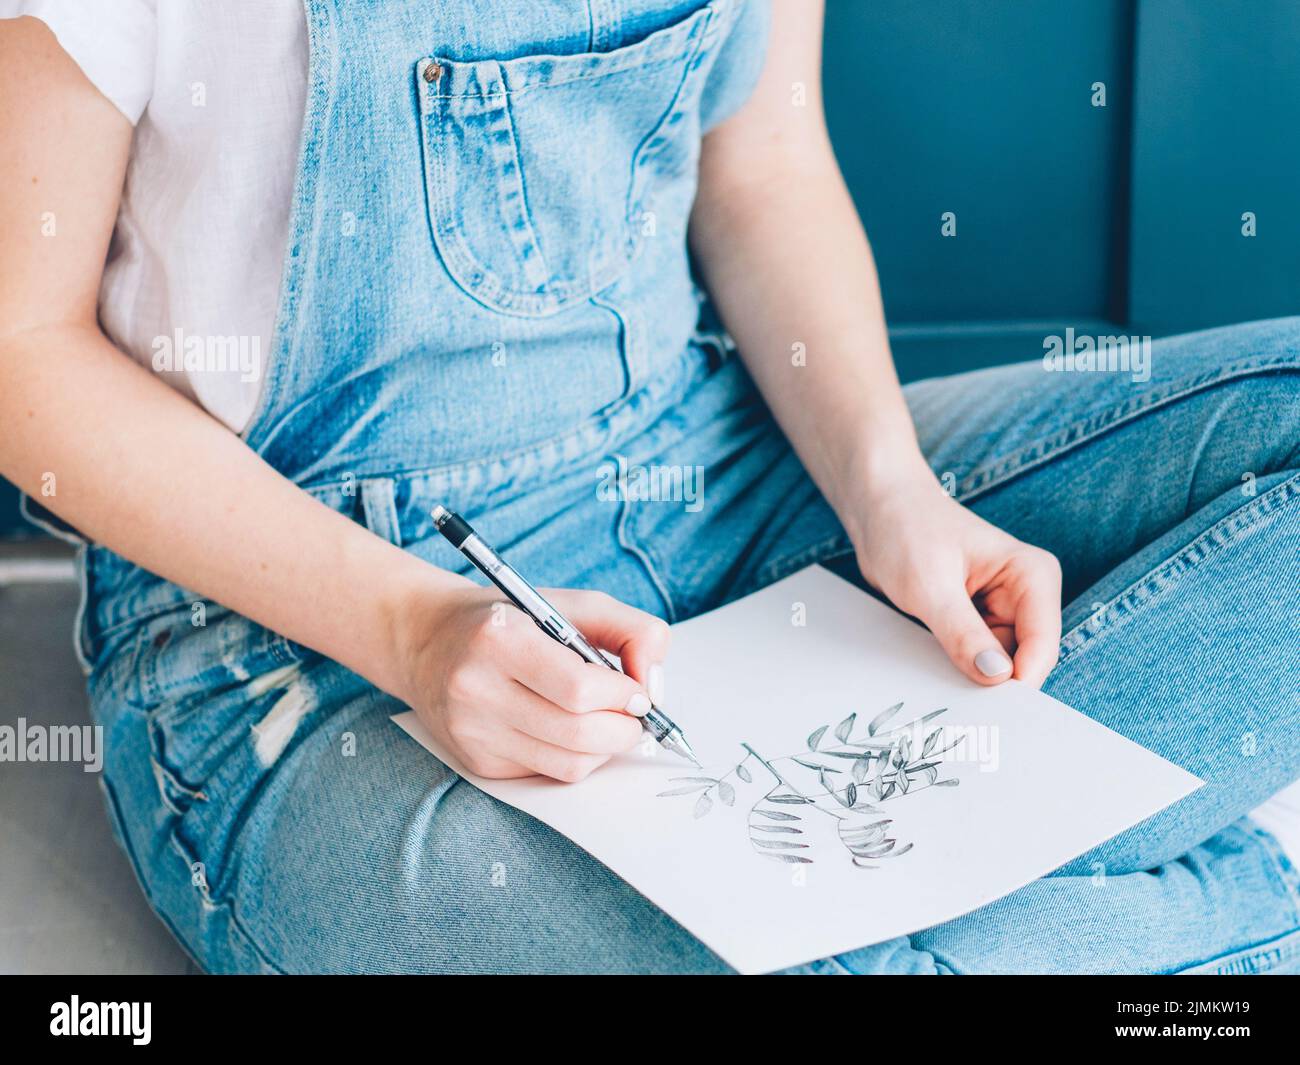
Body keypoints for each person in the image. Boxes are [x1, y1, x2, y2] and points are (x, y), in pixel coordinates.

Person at [1, 0, 1297, 974]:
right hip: (300, 624)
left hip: (721, 468)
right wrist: (415, 625)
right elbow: (19, 354)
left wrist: (887, 486)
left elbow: (765, 163)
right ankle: (1243, 902)